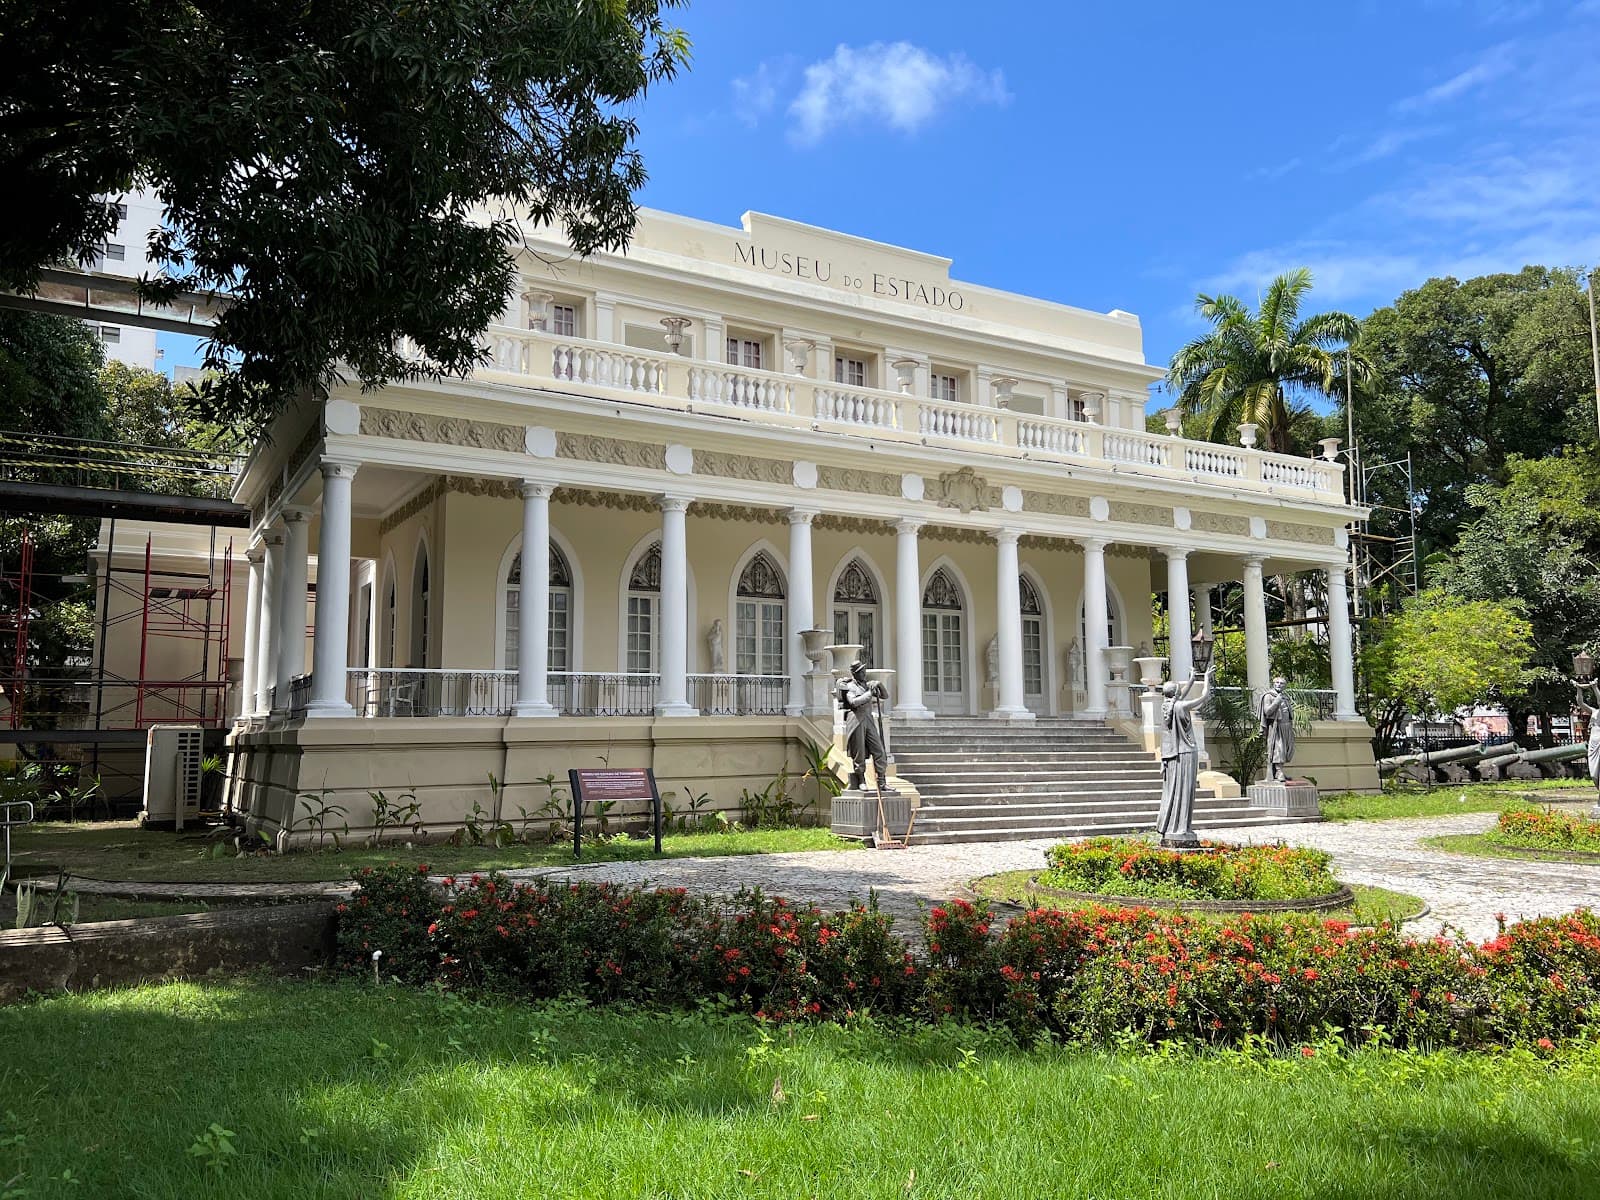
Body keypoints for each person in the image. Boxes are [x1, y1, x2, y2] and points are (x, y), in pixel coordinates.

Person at [1156, 664, 1213, 847]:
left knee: (1174, 791)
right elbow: (1203, 697)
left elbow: (1179, 696)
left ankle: (1172, 827)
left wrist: (1190, 679)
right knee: (1185, 791)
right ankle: (1181, 828)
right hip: (1187, 753)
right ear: (1176, 693)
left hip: (1172, 755)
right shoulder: (1181, 706)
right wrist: (1205, 679)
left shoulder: (1167, 707)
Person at [836, 660, 889, 792]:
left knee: (879, 750)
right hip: (856, 720)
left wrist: (879, 684)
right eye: (861, 672)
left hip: (868, 719)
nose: (864, 674)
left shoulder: (867, 685)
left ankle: (882, 781)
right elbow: (853, 702)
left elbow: (885, 696)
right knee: (859, 752)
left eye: (864, 671)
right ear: (854, 673)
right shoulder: (849, 687)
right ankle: (861, 779)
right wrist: (869, 694)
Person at [1258, 677, 1296, 783]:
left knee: (1287, 749)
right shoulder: (1268, 696)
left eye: (1282, 683)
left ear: (1285, 685)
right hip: (1276, 726)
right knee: (1278, 749)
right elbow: (1267, 711)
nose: (1279, 685)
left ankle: (1279, 770)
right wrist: (1276, 701)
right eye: (1277, 682)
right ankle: (1278, 772)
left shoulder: (1285, 697)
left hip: (1286, 726)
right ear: (1273, 684)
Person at [1573, 675, 1600, 815]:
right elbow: (1581, 703)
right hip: (1593, 744)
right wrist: (1579, 688)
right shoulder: (1594, 712)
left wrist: (1595, 687)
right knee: (1594, 774)